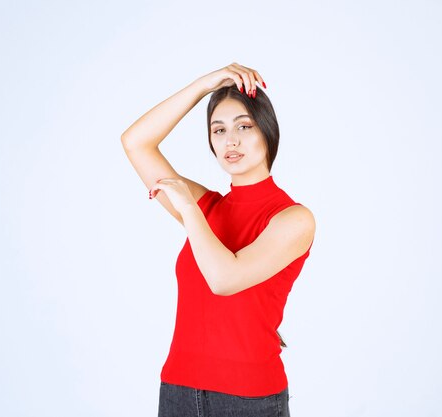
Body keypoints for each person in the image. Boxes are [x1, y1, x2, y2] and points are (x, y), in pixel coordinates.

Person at [121, 62, 315, 417]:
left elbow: (224, 280)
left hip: (248, 400)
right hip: (178, 389)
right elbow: (136, 142)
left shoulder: (293, 219)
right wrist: (204, 85)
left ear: (267, 132)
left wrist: (187, 208)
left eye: (244, 126)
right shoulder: (206, 205)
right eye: (218, 129)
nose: (231, 140)